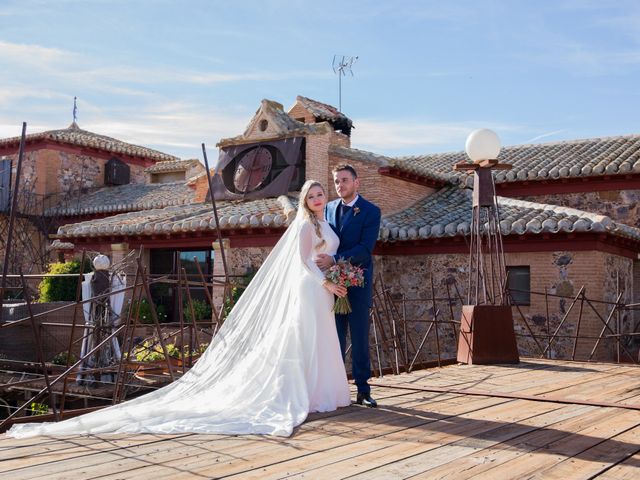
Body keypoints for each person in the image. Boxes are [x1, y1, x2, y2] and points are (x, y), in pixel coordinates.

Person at [7, 180, 350, 438]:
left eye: (321, 195)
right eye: (313, 195)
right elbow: (301, 264)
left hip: (326, 286)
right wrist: (326, 283)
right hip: (313, 286)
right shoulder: (305, 225)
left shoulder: (327, 223)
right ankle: (306, 394)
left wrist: (334, 267)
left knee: (322, 337)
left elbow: (324, 255)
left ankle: (324, 392)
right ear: (306, 200)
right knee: (307, 336)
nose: (318, 199)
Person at [316, 164, 382, 408]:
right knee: (334, 338)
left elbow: (366, 249)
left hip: (358, 283)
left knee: (360, 337)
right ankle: (335, 391)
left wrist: (335, 260)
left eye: (344, 180)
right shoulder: (327, 209)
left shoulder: (370, 211)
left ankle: (363, 391)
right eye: (336, 181)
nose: (339, 185)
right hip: (331, 285)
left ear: (357, 182)